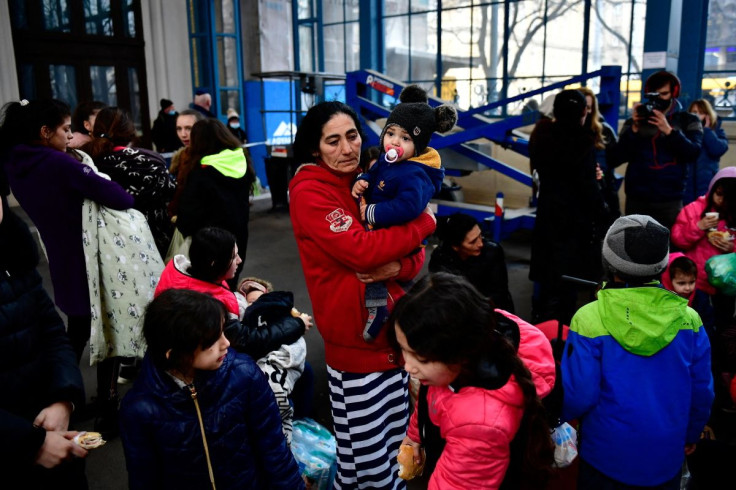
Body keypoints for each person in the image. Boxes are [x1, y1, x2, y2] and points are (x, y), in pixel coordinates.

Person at [289, 101, 436, 489]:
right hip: (356, 349)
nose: (347, 149)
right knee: (376, 470)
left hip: (391, 339)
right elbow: (362, 251)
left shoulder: (371, 177)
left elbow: (412, 259)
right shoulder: (309, 191)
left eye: (352, 136)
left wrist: (399, 267)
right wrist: (425, 221)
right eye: (332, 141)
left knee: (365, 463)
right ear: (314, 149)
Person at [0, 99, 134, 432]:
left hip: (61, 259)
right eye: (65, 129)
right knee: (107, 330)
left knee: (75, 331)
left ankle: (62, 394)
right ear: (45, 132)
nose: (70, 136)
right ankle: (108, 405)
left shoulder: (14, 163)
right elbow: (119, 196)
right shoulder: (59, 164)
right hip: (90, 259)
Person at [561, 214, 714, 489]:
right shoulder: (690, 319)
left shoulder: (588, 318)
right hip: (666, 456)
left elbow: (579, 395)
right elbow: (702, 390)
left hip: (604, 456)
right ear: (662, 263)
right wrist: (691, 433)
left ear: (610, 262)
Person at [119, 289, 305, 489]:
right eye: (211, 341)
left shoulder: (244, 374)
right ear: (175, 354)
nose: (226, 343)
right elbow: (144, 478)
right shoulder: (139, 409)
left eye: (223, 332)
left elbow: (274, 449)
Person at [390, 273, 556, 489]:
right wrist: (415, 436)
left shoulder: (479, 423)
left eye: (419, 357)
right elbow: (430, 397)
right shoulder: (471, 339)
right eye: (404, 349)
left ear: (457, 352)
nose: (408, 366)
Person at [350, 84, 455, 340]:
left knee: (377, 271)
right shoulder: (390, 160)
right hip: (385, 230)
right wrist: (362, 179)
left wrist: (373, 212)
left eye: (406, 138)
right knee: (393, 281)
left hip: (399, 236)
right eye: (391, 133)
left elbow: (409, 207)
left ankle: (378, 312)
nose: (395, 142)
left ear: (417, 146)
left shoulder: (415, 173)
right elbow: (374, 173)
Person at [0, 196, 89, 489]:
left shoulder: (14, 255)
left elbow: (53, 332)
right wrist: (30, 443)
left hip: (51, 428)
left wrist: (64, 400)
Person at [155, 227, 306, 360]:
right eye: (234, 257)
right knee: (304, 370)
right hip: (211, 368)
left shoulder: (187, 274)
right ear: (214, 263)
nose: (239, 261)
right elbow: (247, 342)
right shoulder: (206, 307)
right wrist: (297, 324)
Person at [529, 89, 609, 325]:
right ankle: (563, 336)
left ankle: (541, 330)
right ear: (585, 112)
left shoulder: (541, 134)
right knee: (568, 286)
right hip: (574, 223)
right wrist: (603, 212)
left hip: (547, 217)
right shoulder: (583, 141)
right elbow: (586, 187)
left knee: (546, 284)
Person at [609, 70, 703, 230]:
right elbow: (615, 158)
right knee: (635, 247)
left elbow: (693, 153)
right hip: (637, 198)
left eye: (664, 94)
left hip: (670, 199)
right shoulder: (635, 121)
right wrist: (634, 130)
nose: (659, 99)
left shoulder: (689, 120)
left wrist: (669, 131)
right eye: (654, 94)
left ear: (674, 93)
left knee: (669, 248)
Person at [82, 106, 176, 256]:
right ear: (130, 132)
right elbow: (170, 191)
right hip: (155, 239)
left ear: (94, 132)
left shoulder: (88, 164)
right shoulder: (152, 161)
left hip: (110, 244)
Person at [177, 118, 254, 289]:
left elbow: (187, 218)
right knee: (229, 286)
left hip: (209, 245)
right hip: (238, 240)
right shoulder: (241, 162)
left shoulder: (200, 172)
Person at [428, 212, 515, 312]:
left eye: (480, 236)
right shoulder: (440, 259)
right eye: (473, 242)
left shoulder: (492, 252)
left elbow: (499, 294)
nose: (480, 244)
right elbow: (442, 297)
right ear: (455, 246)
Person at [579, 86, 621, 225]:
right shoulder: (562, 136)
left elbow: (616, 159)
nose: (585, 112)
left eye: (589, 108)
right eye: (582, 107)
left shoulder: (604, 132)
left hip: (602, 194)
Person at [684, 99, 729, 205]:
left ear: (708, 115)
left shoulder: (717, 132)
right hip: (686, 189)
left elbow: (717, 149)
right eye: (694, 113)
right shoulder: (684, 133)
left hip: (707, 187)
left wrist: (707, 131)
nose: (698, 116)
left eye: (701, 113)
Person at [167, 109, 204, 221]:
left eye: (189, 128)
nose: (183, 134)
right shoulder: (181, 157)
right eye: (179, 129)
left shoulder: (210, 157)